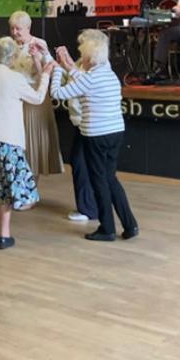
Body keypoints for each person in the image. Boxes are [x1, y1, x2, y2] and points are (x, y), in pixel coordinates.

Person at [50, 35, 139, 242]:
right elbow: (80, 79)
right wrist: (68, 65)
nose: (82, 58)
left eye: (83, 55)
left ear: (89, 58)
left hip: (96, 135)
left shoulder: (89, 79)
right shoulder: (109, 75)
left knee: (98, 181)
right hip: (116, 132)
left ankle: (107, 228)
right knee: (110, 178)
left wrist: (56, 70)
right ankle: (130, 224)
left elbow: (58, 93)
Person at [0, 37, 52, 249]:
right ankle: (5, 234)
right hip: (7, 139)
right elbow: (37, 98)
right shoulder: (15, 78)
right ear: (13, 57)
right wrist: (46, 75)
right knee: (6, 185)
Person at [8, 11, 63, 181]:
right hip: (14, 99)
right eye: (12, 28)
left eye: (18, 29)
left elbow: (46, 73)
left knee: (33, 143)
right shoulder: (9, 45)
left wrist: (37, 59)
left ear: (28, 27)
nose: (15, 32)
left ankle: (32, 189)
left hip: (35, 98)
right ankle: (19, 185)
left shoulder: (39, 43)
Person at [63, 29, 104, 223]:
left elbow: (69, 89)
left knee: (82, 163)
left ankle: (89, 209)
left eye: (83, 44)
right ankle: (89, 207)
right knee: (81, 163)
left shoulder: (96, 68)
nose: (80, 47)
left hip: (90, 124)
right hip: (81, 122)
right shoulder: (81, 64)